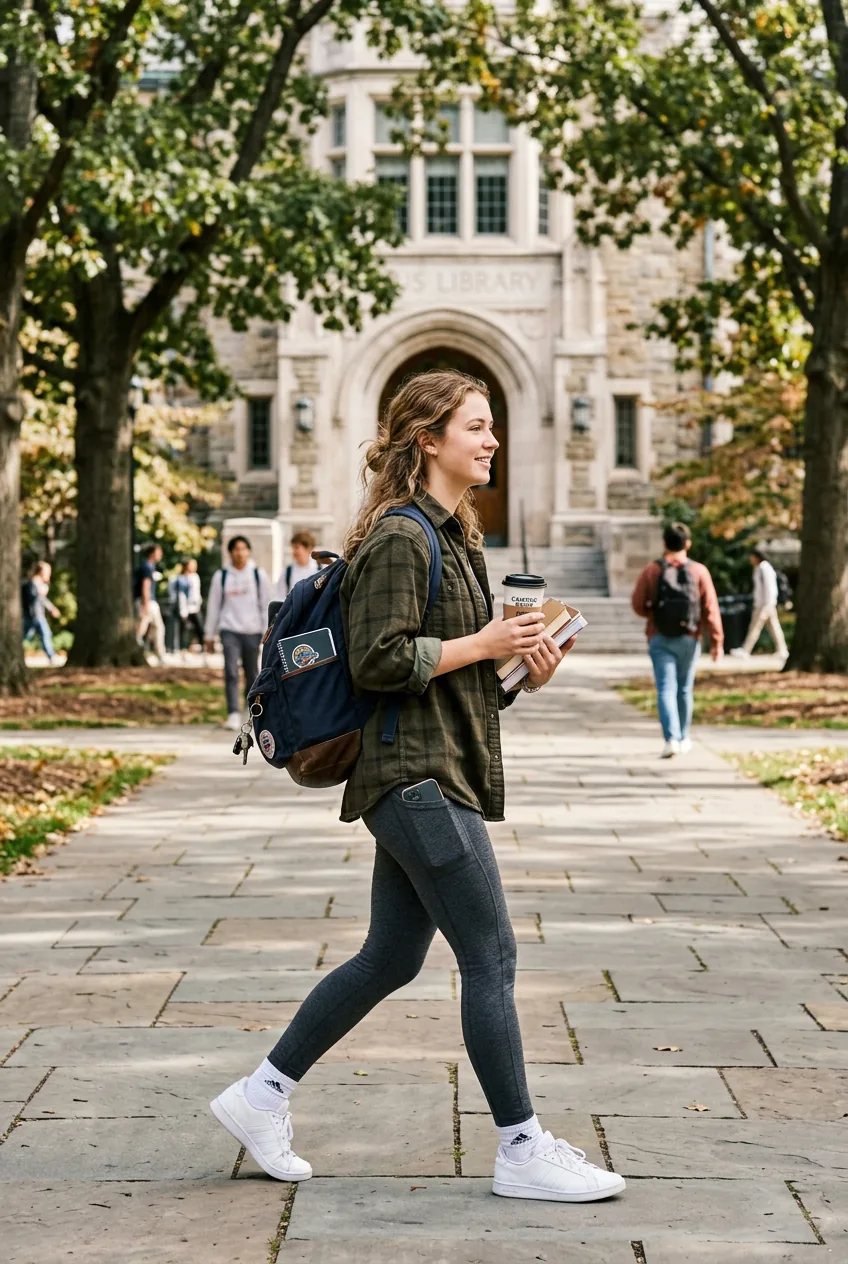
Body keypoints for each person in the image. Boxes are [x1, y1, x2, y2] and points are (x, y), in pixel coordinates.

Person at [209, 369, 625, 1204]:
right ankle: (520, 1148)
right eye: (475, 426)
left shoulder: (455, 536)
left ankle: (260, 1097)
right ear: (427, 440)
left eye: (493, 425)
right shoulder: (403, 536)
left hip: (433, 770)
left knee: (391, 957)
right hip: (416, 782)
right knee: (493, 955)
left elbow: (459, 679)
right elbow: (378, 660)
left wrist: (525, 669)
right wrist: (481, 642)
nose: (492, 439)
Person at [631, 522, 723, 758]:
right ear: (688, 544)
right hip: (689, 638)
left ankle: (670, 739)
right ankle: (684, 737)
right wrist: (717, 641)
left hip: (659, 637)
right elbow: (710, 608)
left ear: (664, 544)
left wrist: (653, 611)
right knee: (684, 689)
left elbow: (637, 605)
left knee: (665, 688)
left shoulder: (652, 570)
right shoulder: (699, 571)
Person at [204, 535, 271, 731]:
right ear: (230, 552)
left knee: (252, 673)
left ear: (248, 551)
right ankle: (233, 712)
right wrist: (209, 634)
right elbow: (214, 606)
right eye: (235, 549)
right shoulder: (222, 576)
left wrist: (266, 629)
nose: (239, 553)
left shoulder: (257, 575)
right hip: (229, 630)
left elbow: (264, 604)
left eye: (243, 548)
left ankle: (251, 711)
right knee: (231, 672)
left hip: (252, 630)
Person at [730, 548, 788, 661]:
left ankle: (746, 650)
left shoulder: (763, 568)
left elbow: (768, 587)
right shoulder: (762, 568)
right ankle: (782, 650)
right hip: (767, 603)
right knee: (774, 628)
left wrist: (766, 603)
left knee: (755, 627)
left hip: (765, 604)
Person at [133, 543, 166, 664]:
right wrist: (146, 604)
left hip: (148, 601)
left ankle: (158, 654)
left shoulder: (149, 566)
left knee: (152, 628)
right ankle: (158, 654)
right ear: (152, 553)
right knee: (144, 628)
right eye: (158, 552)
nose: (160, 555)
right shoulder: (146, 567)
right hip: (147, 601)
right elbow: (145, 586)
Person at [22, 561, 59, 665]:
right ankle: (51, 657)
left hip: (37, 615)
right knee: (42, 634)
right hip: (33, 616)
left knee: (37, 635)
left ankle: (51, 656)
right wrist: (40, 593)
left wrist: (51, 608)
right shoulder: (31, 584)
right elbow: (31, 600)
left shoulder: (38, 584)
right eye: (48, 572)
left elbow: (42, 600)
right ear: (42, 572)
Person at [273, 530, 319, 600]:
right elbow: (279, 597)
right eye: (292, 548)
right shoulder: (287, 572)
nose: (293, 552)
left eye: (297, 547)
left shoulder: (320, 570)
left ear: (308, 549)